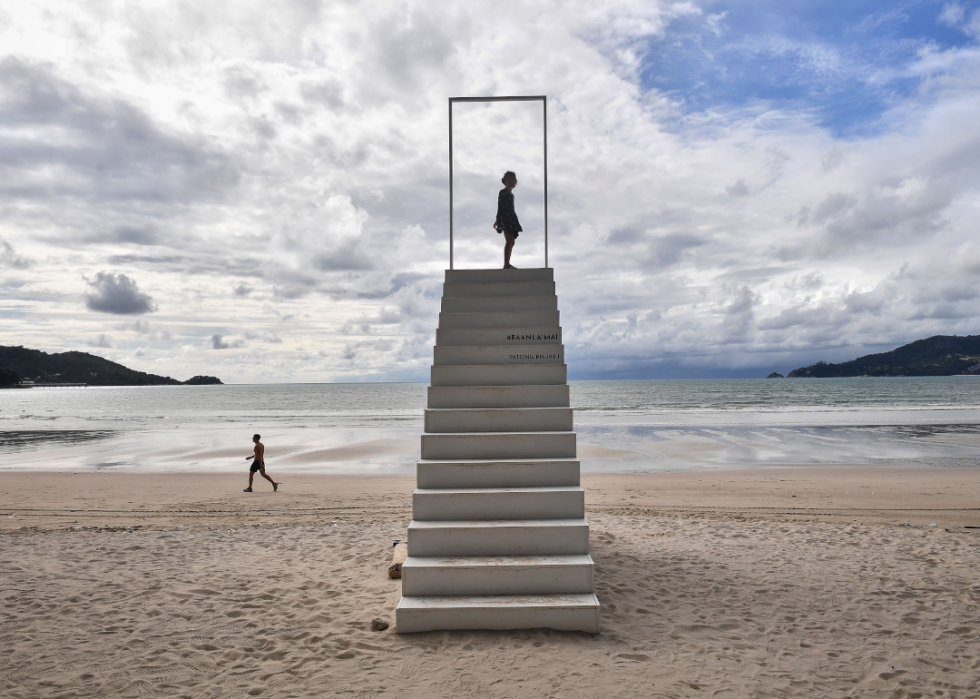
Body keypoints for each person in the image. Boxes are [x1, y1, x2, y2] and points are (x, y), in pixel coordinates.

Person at [493, 171, 522, 269]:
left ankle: (507, 263)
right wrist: (498, 219)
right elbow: (500, 206)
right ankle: (506, 264)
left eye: (513, 180)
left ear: (515, 182)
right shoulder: (503, 192)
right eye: (508, 180)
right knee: (509, 240)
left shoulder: (511, 195)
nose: (511, 182)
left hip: (512, 218)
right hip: (505, 219)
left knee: (512, 241)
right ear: (504, 181)